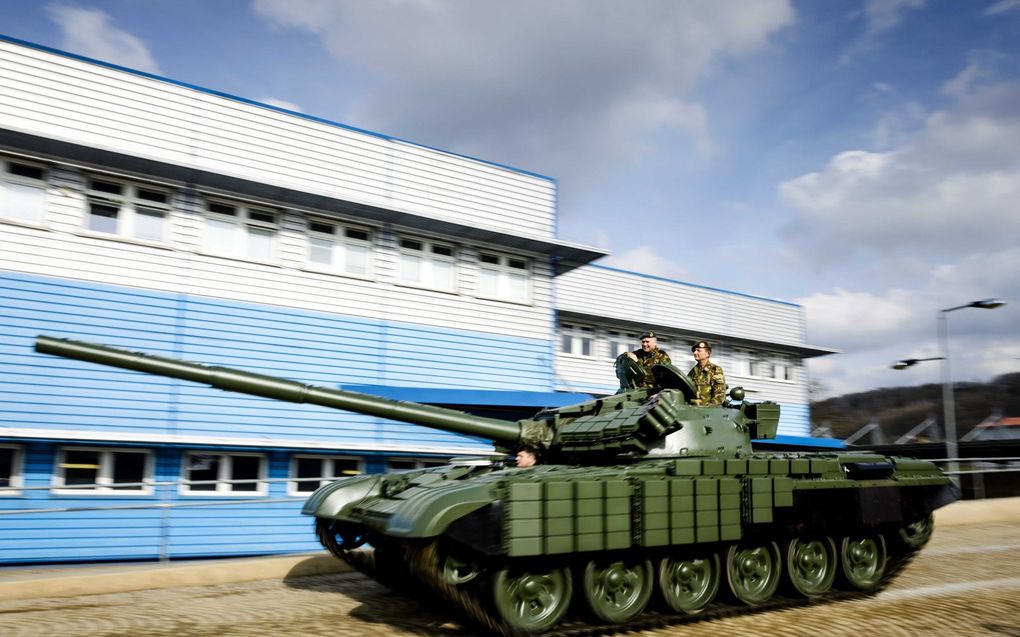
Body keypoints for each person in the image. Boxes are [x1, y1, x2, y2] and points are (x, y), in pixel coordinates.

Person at [688, 340, 726, 406]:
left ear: (707, 354)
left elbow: (719, 396)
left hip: (708, 412)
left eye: (698, 350)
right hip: (693, 410)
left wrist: (706, 407)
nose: (694, 353)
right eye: (694, 351)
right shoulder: (693, 372)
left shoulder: (715, 370)